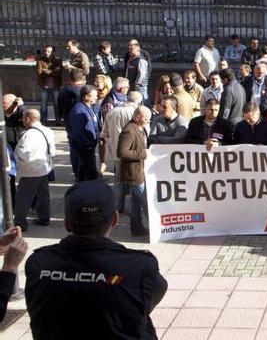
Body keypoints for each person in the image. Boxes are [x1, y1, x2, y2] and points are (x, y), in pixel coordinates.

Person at [25, 180, 167, 338]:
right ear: (115, 219)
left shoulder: (38, 264)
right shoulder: (140, 266)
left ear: (66, 224)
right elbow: (155, 293)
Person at [100, 90, 142, 213]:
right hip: (131, 153)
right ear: (138, 102)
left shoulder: (112, 112)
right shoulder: (135, 114)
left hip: (116, 152)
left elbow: (104, 135)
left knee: (118, 182)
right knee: (135, 182)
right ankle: (134, 209)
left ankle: (117, 208)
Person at [14, 109, 55, 231]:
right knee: (43, 195)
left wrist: (15, 161)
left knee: (23, 197)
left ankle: (20, 223)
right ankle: (44, 218)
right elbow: (52, 151)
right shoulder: (48, 131)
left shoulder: (28, 135)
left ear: (28, 119)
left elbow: (23, 155)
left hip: (30, 171)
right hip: (44, 168)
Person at [117, 106, 152, 237]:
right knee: (142, 200)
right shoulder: (129, 131)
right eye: (146, 119)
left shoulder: (139, 127)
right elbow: (122, 152)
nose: (148, 121)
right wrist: (143, 153)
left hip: (139, 170)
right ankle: (141, 227)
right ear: (137, 117)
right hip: (134, 172)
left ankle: (136, 227)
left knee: (136, 202)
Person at [68, 85, 100, 182]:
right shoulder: (78, 110)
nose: (96, 97)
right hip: (85, 147)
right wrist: (87, 145)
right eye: (94, 96)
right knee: (90, 172)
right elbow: (78, 132)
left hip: (89, 145)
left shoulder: (88, 106)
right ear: (86, 97)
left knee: (84, 171)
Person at [36, 45, 62, 125]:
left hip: (55, 86)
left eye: (49, 51)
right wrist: (52, 72)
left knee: (56, 104)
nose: (46, 53)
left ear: (52, 52)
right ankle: (43, 121)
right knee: (43, 104)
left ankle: (58, 120)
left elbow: (58, 73)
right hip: (44, 85)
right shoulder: (40, 60)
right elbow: (39, 73)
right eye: (45, 51)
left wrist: (45, 71)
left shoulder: (58, 60)